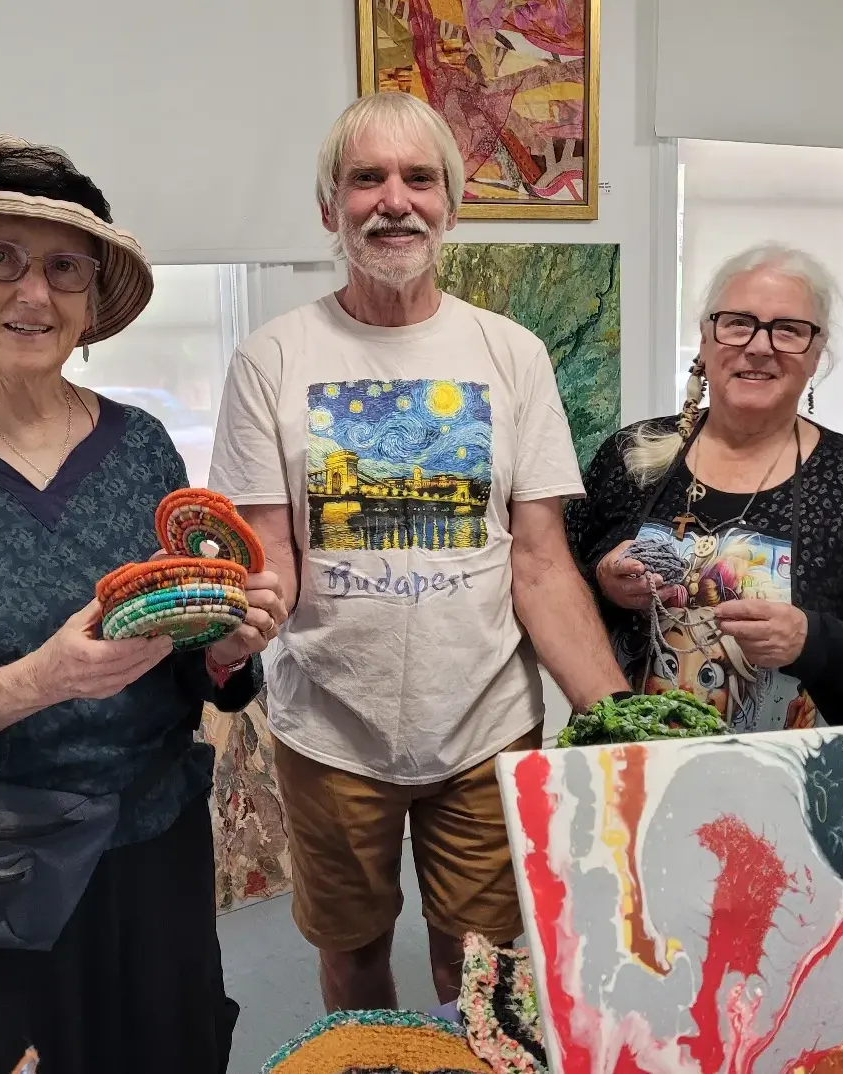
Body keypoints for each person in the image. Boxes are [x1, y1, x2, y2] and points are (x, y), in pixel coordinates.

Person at [0, 135, 285, 1074]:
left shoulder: (141, 444)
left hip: (153, 854)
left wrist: (228, 649)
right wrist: (36, 681)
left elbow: (189, 655)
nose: (35, 293)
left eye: (64, 269)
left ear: (90, 304)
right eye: (1, 259)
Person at [207, 92, 628, 1012]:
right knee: (354, 963)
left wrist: (622, 721)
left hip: (484, 722)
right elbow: (268, 558)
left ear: (452, 202)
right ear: (330, 208)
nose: (393, 199)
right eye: (366, 178)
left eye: (417, 177)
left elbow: (543, 563)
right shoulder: (273, 359)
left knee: (475, 972)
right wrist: (224, 632)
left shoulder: (511, 354)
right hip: (330, 729)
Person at [568, 244, 843, 732]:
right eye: (738, 322)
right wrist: (603, 577)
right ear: (705, 339)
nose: (760, 346)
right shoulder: (632, 455)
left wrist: (813, 641)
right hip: (626, 765)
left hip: (791, 784)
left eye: (788, 329)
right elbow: (554, 585)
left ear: (815, 355)